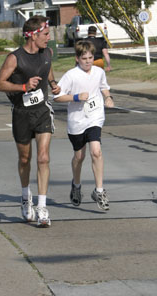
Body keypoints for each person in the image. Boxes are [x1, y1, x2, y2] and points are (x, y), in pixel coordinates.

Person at [0, 15, 60, 228]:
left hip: (42, 111)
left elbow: (47, 66)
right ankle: (26, 198)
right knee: (25, 159)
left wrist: (52, 83)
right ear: (32, 36)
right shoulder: (15, 58)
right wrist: (24, 87)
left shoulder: (47, 53)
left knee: (43, 158)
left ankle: (42, 207)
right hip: (21, 114)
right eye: (45, 34)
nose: (49, 38)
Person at [53, 40, 114, 211]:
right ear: (77, 58)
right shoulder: (71, 75)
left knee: (96, 151)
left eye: (90, 57)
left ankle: (99, 191)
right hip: (76, 120)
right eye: (84, 58)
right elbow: (57, 97)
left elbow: (104, 87)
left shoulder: (99, 72)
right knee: (79, 157)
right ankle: (76, 185)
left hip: (94, 117)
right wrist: (76, 97)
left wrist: (108, 97)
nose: (88, 61)